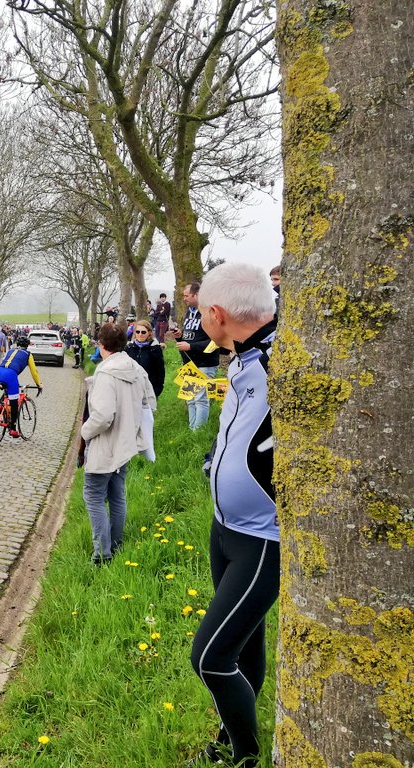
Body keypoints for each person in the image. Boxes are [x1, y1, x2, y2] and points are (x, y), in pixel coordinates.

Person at [188, 262, 277, 768]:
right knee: (243, 648)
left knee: (210, 656)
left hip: (263, 538)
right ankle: (231, 734)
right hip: (225, 529)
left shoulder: (281, 360)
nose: (200, 323)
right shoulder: (242, 355)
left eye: (201, 314)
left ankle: (244, 756)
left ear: (217, 314)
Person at [78, 324, 156, 565]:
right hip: (126, 444)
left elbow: (102, 416)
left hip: (104, 444)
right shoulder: (136, 368)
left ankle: (102, 554)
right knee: (117, 495)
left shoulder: (105, 373)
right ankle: (116, 544)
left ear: (102, 345)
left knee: (93, 496)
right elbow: (150, 404)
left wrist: (84, 431)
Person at [170, 281, 222, 430]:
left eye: (187, 295)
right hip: (189, 363)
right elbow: (190, 337)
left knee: (200, 399)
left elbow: (216, 341)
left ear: (197, 295)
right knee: (190, 399)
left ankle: (198, 433)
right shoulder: (189, 313)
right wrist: (180, 337)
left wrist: (191, 346)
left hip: (205, 364)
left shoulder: (209, 313)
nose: (184, 299)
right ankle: (192, 429)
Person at [0, 336, 43, 438]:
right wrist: (39, 384)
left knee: (8, 389)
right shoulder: (28, 354)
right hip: (10, 374)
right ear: (27, 345)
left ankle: (0, 405)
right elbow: (34, 372)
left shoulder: (11, 350)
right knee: (14, 402)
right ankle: (13, 428)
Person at [125, 319, 166, 399]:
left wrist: (157, 390)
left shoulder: (155, 349)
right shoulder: (129, 348)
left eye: (143, 332)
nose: (140, 334)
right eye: (137, 332)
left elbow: (160, 371)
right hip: (131, 390)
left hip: (149, 390)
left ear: (149, 333)